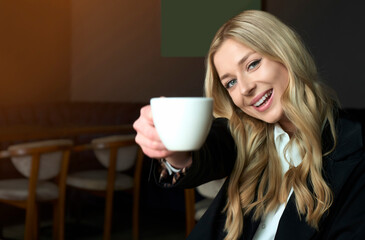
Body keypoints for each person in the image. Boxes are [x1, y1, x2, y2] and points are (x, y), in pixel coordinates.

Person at [133, 10, 365, 240]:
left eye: (252, 64)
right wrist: (174, 151)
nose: (244, 89)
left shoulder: (354, 147)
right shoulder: (241, 135)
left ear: (285, 54)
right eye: (231, 82)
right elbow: (207, 151)